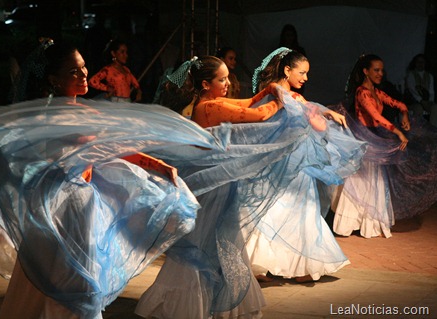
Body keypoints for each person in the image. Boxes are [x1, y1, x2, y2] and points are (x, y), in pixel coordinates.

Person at [0, 42, 229, 319]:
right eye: (74, 71)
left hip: (81, 201)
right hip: (60, 204)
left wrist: (157, 164)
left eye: (83, 67)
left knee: (76, 272)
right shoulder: (50, 115)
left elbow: (115, 145)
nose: (84, 74)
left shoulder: (87, 110)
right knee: (61, 273)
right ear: (54, 80)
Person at [135, 54, 363, 318]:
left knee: (222, 239)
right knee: (208, 240)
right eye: (221, 79)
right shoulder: (208, 108)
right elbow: (257, 113)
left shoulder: (213, 102)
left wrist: (270, 90)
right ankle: (190, 304)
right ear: (206, 84)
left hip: (220, 182)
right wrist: (280, 100)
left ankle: (221, 303)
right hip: (214, 185)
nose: (227, 83)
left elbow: (249, 101)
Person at [245, 47, 366, 283]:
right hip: (286, 164)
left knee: (283, 210)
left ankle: (264, 265)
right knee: (291, 210)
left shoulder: (280, 94)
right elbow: (311, 123)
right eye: (302, 72)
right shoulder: (281, 95)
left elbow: (311, 120)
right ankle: (289, 266)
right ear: (287, 70)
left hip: (286, 163)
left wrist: (325, 114)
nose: (306, 78)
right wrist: (324, 115)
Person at [332, 53, 437, 238]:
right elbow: (375, 116)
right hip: (363, 140)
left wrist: (404, 113)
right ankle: (350, 223)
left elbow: (399, 103)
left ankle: (370, 223)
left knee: (376, 180)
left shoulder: (376, 91)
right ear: (366, 71)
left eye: (382, 70)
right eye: (376, 70)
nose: (380, 73)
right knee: (360, 180)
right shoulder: (361, 92)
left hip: (375, 138)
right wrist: (397, 131)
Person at [88, 38, 142, 103]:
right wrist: (107, 88)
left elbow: (135, 83)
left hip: (127, 101)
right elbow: (92, 81)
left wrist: (139, 91)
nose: (126, 55)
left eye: (126, 52)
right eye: (122, 52)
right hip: (115, 102)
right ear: (113, 53)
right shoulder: (108, 69)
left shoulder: (126, 70)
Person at [404, 53, 437, 126]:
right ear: (415, 63)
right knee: (418, 108)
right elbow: (412, 90)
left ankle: (432, 130)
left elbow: (431, 91)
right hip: (413, 101)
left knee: (435, 107)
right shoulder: (411, 75)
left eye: (422, 62)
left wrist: (430, 101)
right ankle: (417, 131)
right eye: (418, 62)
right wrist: (421, 101)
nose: (420, 64)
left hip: (426, 100)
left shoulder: (429, 76)